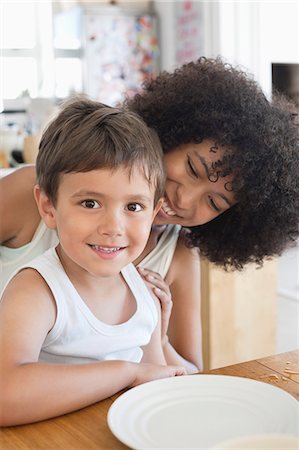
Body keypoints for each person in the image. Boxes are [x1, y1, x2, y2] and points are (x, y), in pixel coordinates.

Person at [1, 57, 299, 373]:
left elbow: (190, 372)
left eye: (214, 202)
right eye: (192, 168)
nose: (183, 199)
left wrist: (157, 333)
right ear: (168, 135)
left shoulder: (177, 255)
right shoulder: (30, 193)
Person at [0, 98, 186, 426]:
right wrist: (125, 373)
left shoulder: (146, 296)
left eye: (133, 207)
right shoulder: (36, 291)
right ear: (48, 207)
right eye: (90, 202)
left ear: (154, 212)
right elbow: (5, 396)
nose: (112, 227)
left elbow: (156, 384)